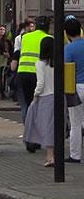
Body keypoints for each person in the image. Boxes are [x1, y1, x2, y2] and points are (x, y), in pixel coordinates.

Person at [18, 15, 51, 152]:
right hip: (39, 74)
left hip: (23, 72)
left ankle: (29, 137)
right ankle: (36, 138)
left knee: (26, 105)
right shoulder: (49, 39)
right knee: (38, 106)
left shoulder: (25, 37)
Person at [24, 36, 57, 167]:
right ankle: (55, 155)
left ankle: (50, 156)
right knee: (55, 127)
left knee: (45, 127)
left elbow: (41, 83)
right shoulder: (59, 63)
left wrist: (35, 95)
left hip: (45, 97)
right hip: (59, 96)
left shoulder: (40, 64)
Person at [65, 17, 84, 163]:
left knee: (75, 123)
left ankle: (75, 155)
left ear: (67, 33)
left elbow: (65, 69)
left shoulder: (68, 49)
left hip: (75, 87)